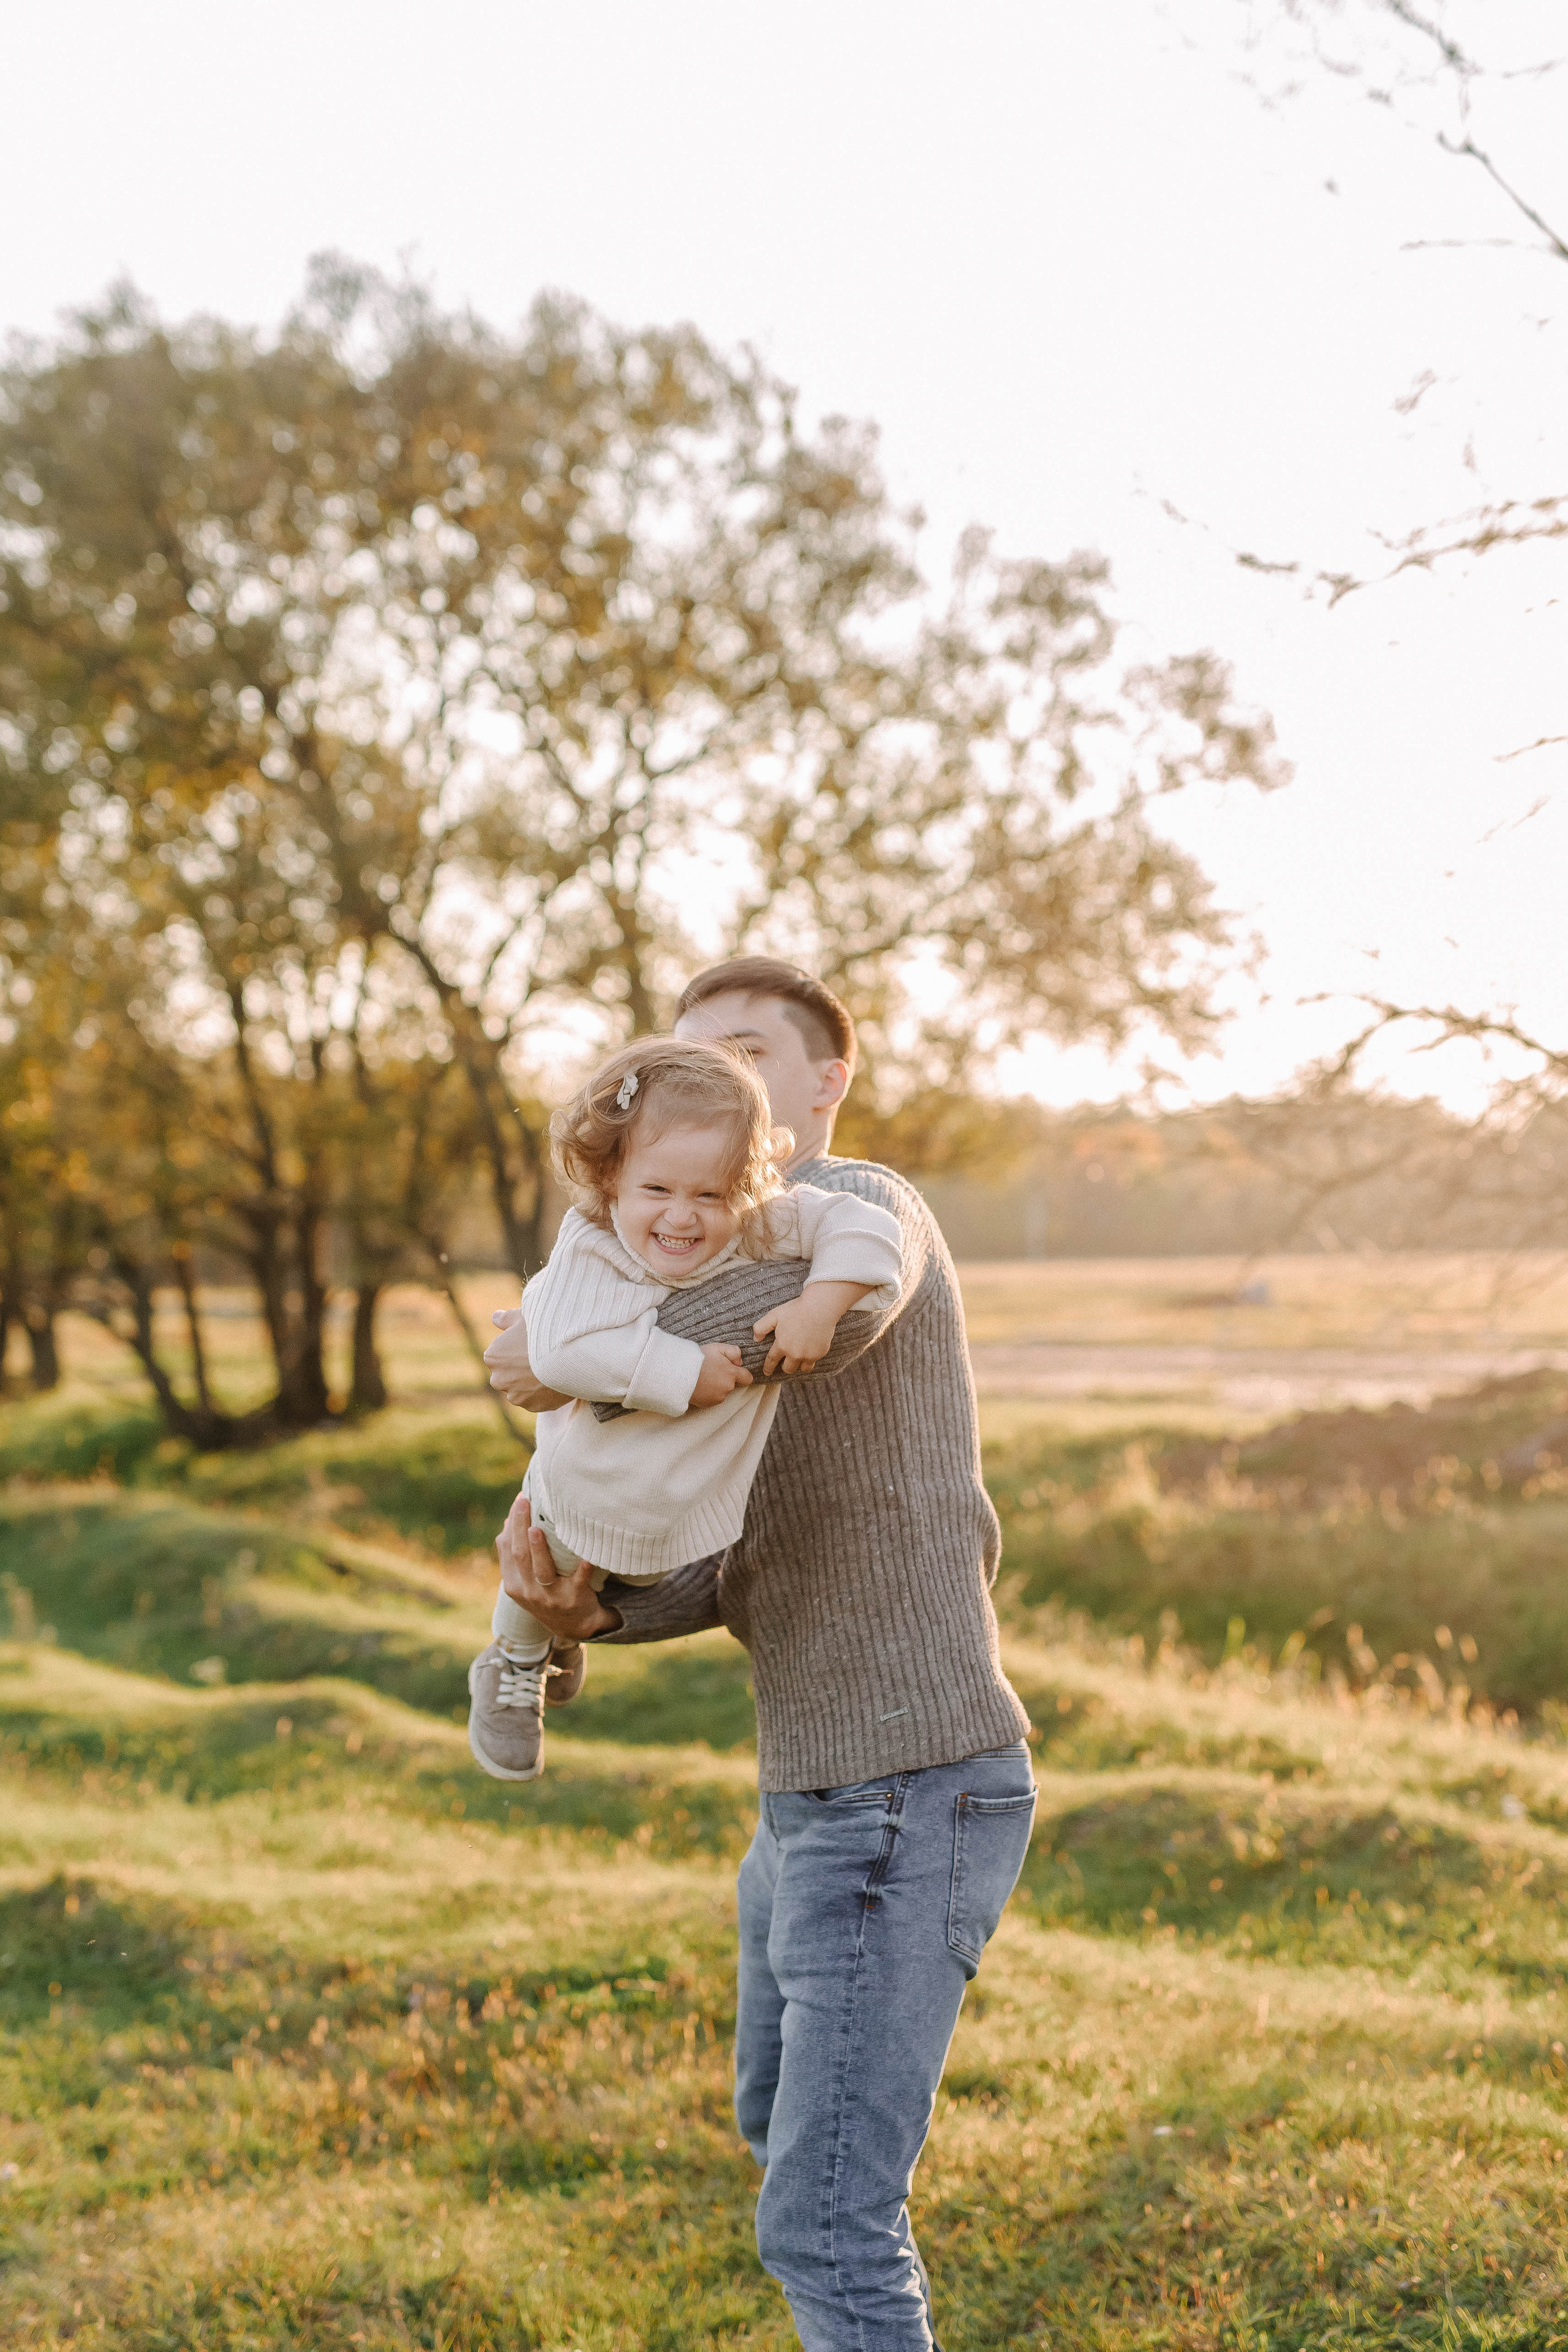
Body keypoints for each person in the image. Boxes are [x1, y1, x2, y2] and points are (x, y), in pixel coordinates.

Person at [489, 958, 1034, 2352]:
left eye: (742, 1055)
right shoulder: (719, 1268)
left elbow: (797, 1307)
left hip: (909, 1778)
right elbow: (724, 1560)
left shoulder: (857, 1212)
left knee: (823, 2215)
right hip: (811, 1786)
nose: (714, 1091)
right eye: (690, 1062)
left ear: (820, 1085)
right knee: (770, 2117)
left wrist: (543, 1347)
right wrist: (588, 1615)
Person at [468, 1033, 902, 1781]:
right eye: (658, 1191)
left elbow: (866, 1225)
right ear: (610, 1181)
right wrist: (681, 1369)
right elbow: (561, 1353)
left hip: (679, 1493)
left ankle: (560, 1634)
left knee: (624, 1577)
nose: (683, 1218)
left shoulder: (763, 1219)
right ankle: (512, 1658)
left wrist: (821, 1304)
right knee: (547, 1559)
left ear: (749, 1182)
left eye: (711, 1194)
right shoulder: (592, 1242)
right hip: (586, 1476)